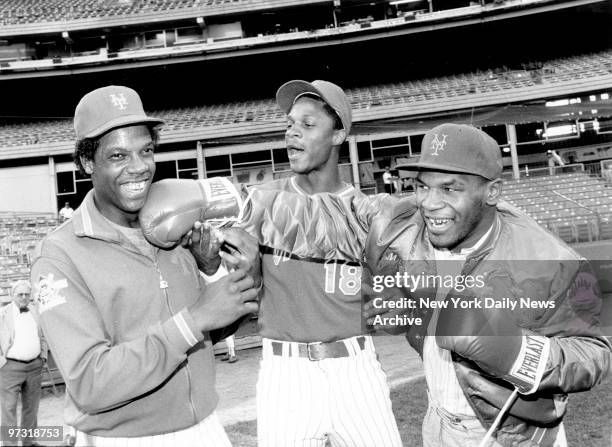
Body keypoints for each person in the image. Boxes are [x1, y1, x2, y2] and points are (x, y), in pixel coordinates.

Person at [140, 80, 403, 447]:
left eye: (308, 125)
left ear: (339, 134)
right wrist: (211, 264)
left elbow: (397, 293)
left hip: (355, 368)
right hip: (286, 374)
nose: (292, 133)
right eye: (289, 125)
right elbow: (239, 294)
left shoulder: (366, 212)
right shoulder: (261, 203)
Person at [29, 85, 260, 447]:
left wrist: (210, 270)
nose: (138, 168)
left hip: (205, 430)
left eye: (146, 151)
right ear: (88, 162)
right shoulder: (59, 255)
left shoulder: (175, 226)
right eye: (118, 156)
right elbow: (90, 383)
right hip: (124, 439)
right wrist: (193, 319)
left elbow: (215, 331)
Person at [362, 124, 611, 446]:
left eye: (449, 189)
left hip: (514, 434)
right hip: (437, 420)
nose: (429, 203)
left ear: (492, 192)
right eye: (422, 186)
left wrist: (515, 352)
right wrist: (405, 307)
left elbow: (595, 356)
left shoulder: (548, 259)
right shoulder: (411, 231)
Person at [0, 280, 47, 447]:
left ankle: (29, 442)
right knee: (8, 408)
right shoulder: (3, 313)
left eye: (27, 294)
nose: (24, 297)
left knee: (31, 407)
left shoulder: (36, 312)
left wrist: (43, 357)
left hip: (35, 366)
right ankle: (10, 444)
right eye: (20, 294)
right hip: (10, 368)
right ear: (12, 295)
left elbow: (42, 336)